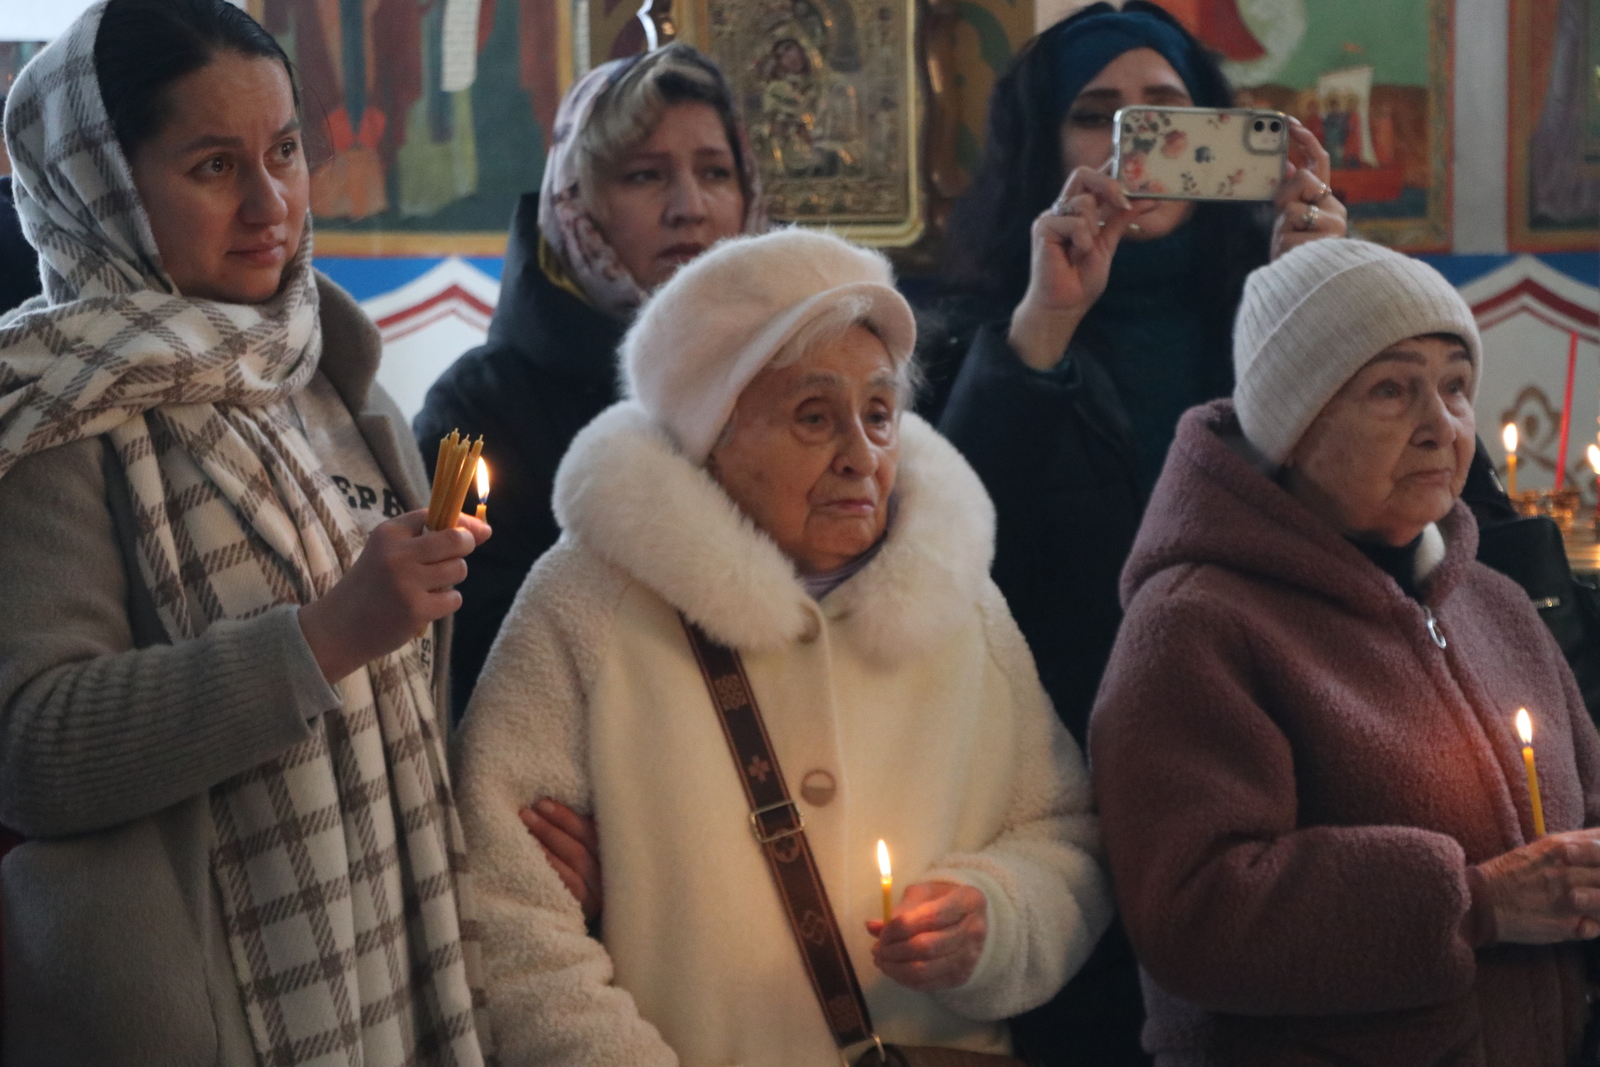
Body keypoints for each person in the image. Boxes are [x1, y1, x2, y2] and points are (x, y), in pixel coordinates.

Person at [453, 228, 1112, 1065]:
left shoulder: (957, 599)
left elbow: (1062, 834)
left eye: (880, 413)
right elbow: (505, 906)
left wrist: (1000, 918)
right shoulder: (590, 600)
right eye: (814, 417)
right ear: (713, 434)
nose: (861, 456)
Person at [0, 2, 491, 1063]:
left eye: (285, 152)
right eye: (215, 166)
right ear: (102, 186)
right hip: (205, 1009)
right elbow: (34, 752)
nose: (271, 203)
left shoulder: (327, 374)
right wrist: (325, 635)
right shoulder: (50, 412)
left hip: (391, 959)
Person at [928, 11, 1346, 1057]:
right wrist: (1045, 322)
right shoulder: (972, 333)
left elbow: (1386, 512)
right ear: (1045, 147)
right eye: (1097, 115)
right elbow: (948, 558)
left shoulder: (1265, 305)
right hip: (1062, 789)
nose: (1137, 141)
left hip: (1275, 768)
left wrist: (1320, 302)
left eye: (1166, 112)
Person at [1092, 238, 1600, 1066]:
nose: (1441, 426)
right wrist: (1475, 901)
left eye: (1456, 387)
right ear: (1293, 429)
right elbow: (1195, 910)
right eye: (1392, 390)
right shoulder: (1197, 624)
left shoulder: (1496, 604)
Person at [414, 44, 764, 721]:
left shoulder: (801, 372)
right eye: (645, 175)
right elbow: (470, 650)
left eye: (716, 172)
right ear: (577, 201)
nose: (689, 206)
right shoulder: (479, 409)